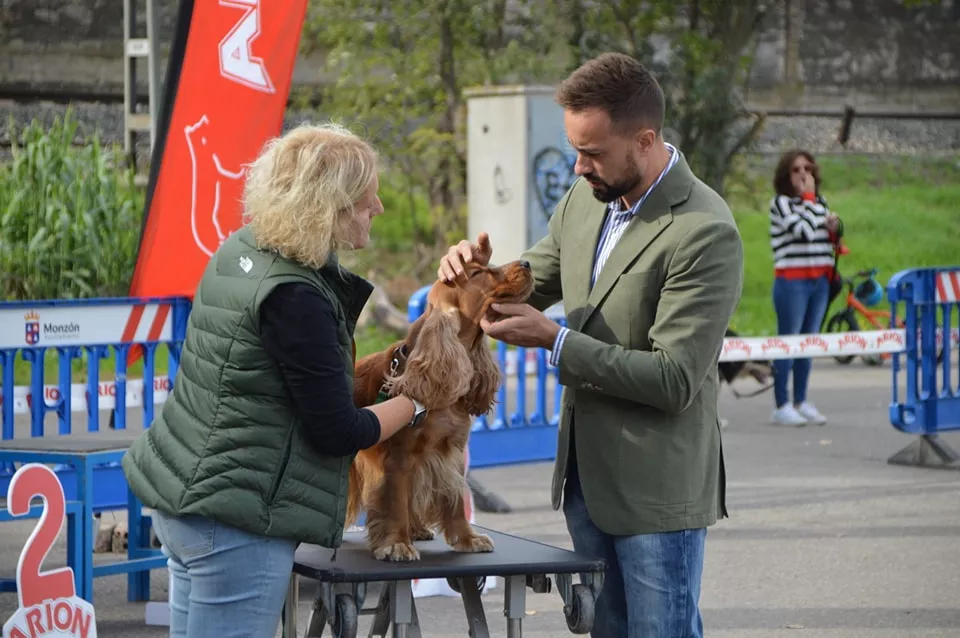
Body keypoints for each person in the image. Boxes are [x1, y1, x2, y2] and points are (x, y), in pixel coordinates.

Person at [439, 53, 743, 638]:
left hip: (659, 495)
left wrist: (556, 342)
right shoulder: (588, 197)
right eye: (574, 149)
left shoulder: (705, 231)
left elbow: (674, 379)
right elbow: (533, 275)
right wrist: (474, 274)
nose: (578, 167)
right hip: (586, 481)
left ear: (646, 140)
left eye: (594, 153)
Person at [121, 123, 428, 638]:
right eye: (366, 198)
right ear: (328, 206)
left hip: (186, 494)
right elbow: (338, 431)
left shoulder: (244, 250)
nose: (377, 207)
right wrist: (416, 401)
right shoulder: (295, 297)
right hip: (237, 521)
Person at [768, 149, 842, 427]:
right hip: (792, 282)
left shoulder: (819, 202)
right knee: (789, 342)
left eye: (808, 169)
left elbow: (824, 239)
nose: (803, 174)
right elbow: (804, 231)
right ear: (786, 175)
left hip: (819, 281)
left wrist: (833, 227)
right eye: (797, 169)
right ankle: (781, 404)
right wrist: (815, 208)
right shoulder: (781, 204)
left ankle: (801, 400)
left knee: (808, 342)